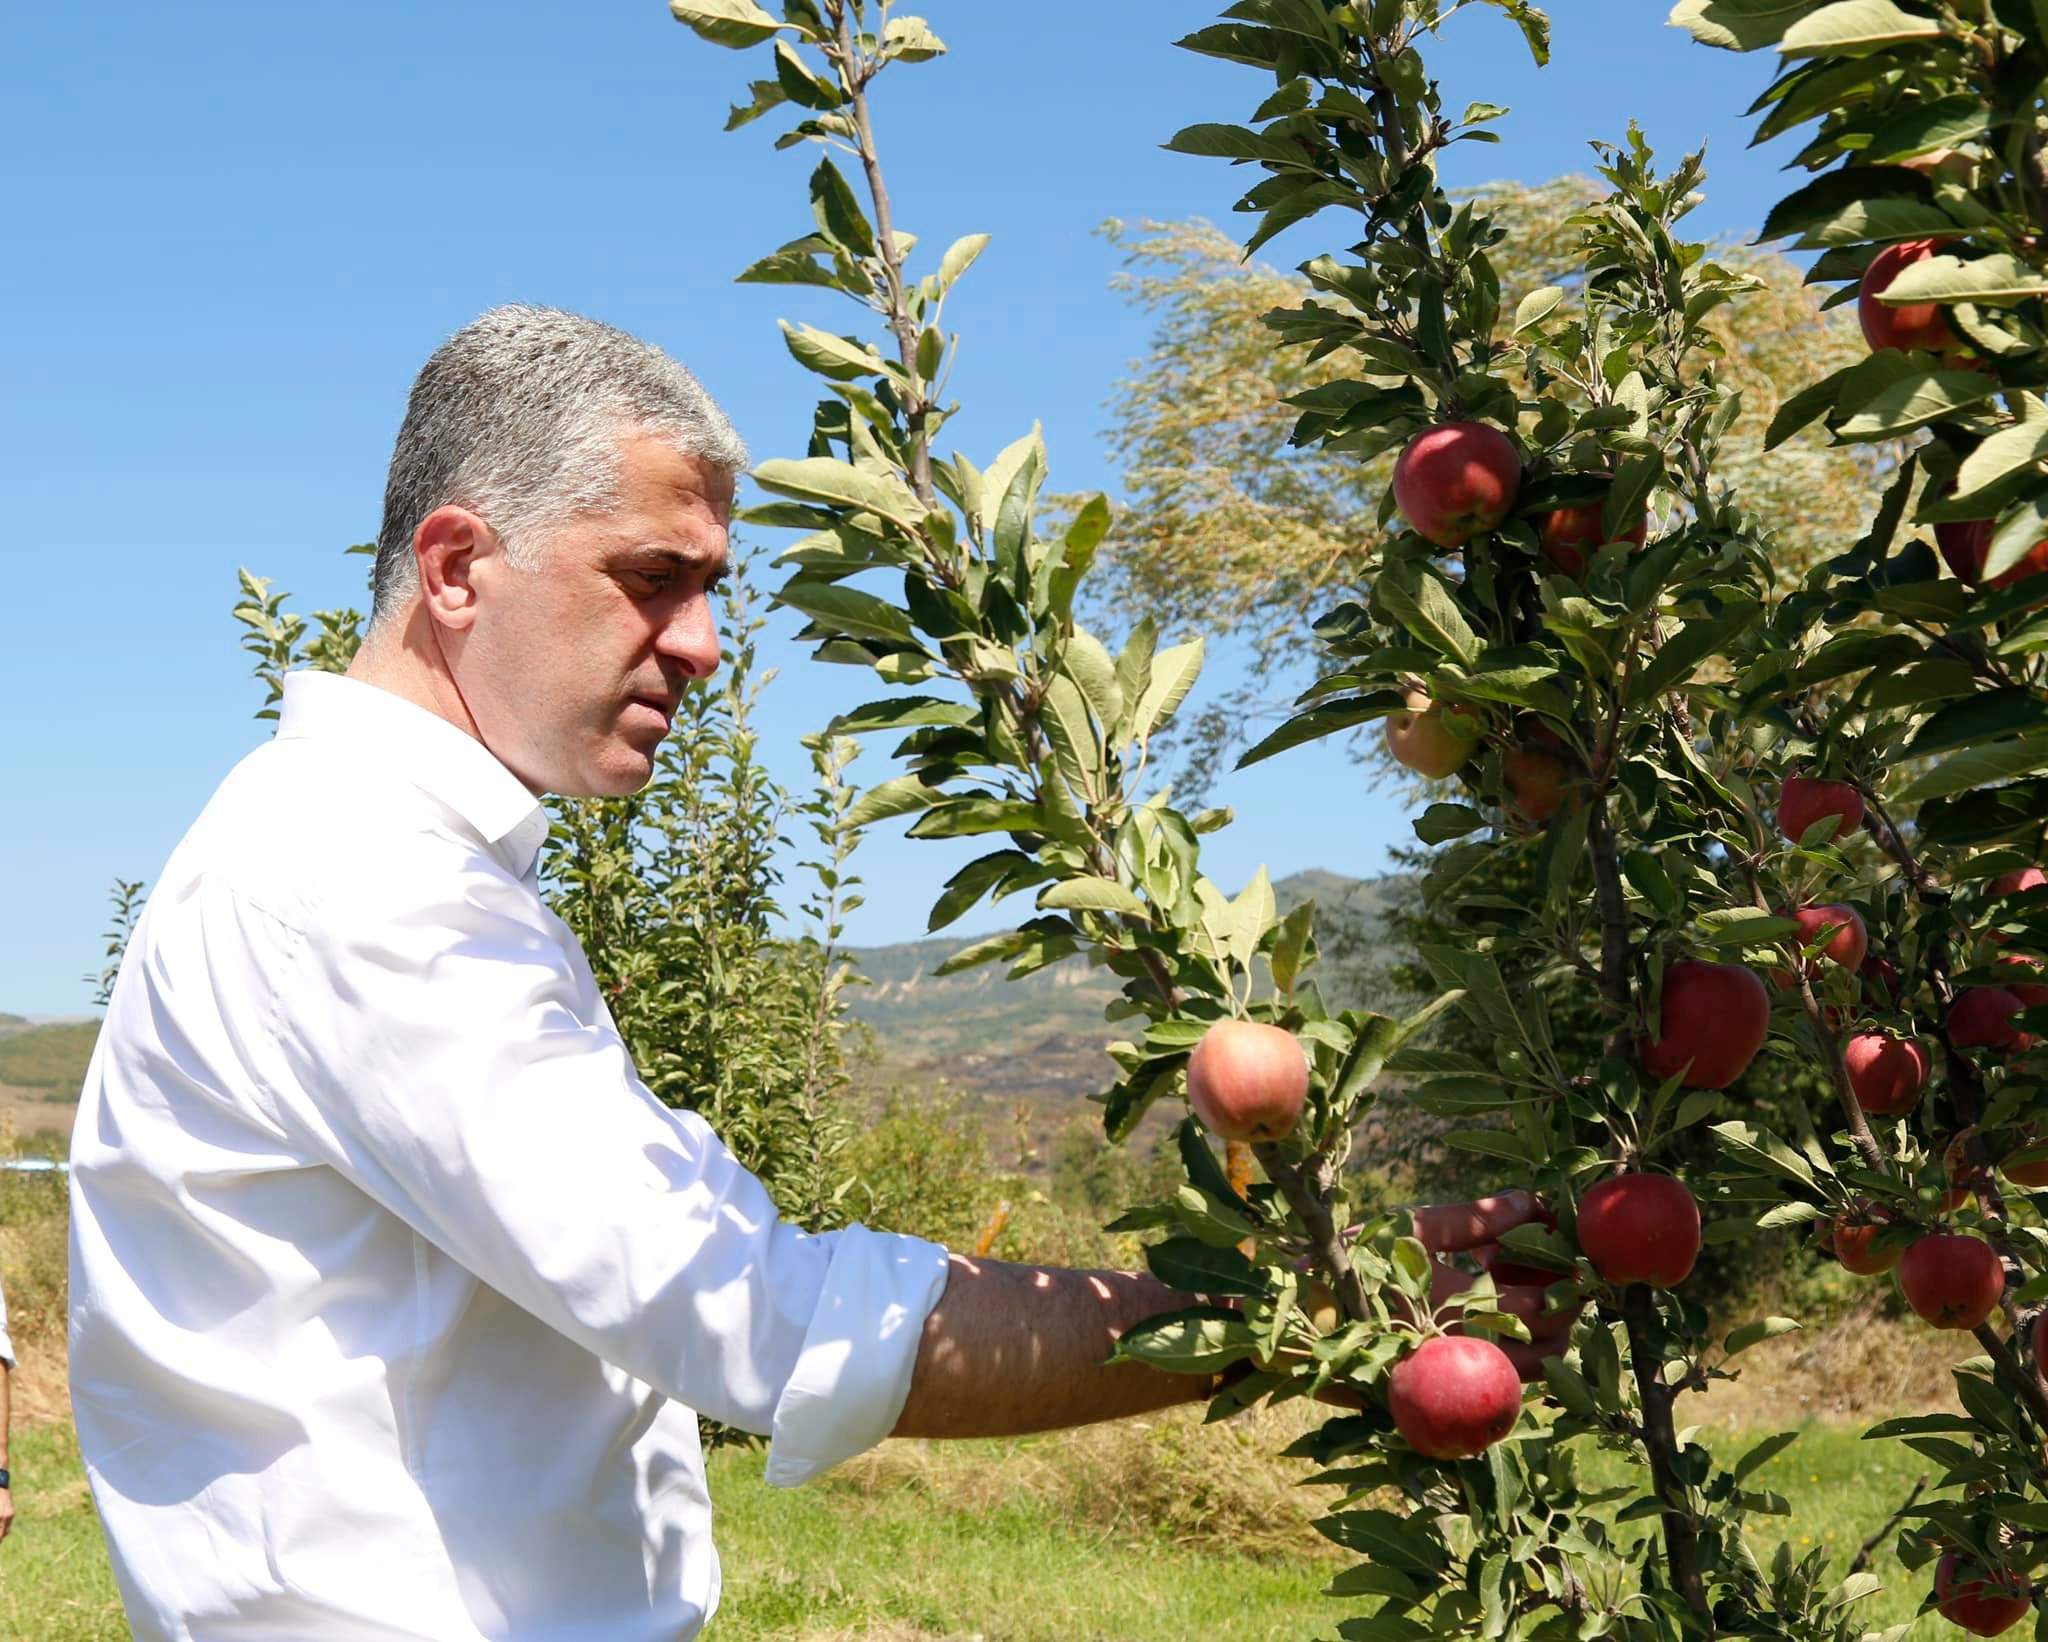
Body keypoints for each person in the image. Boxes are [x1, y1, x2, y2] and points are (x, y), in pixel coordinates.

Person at [67, 306, 1565, 1641]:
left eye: (712, 585)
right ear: (458, 568)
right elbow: (762, 1316)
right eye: (654, 578)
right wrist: (1292, 1313)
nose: (704, 645)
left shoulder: (381, 861)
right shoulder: (364, 883)